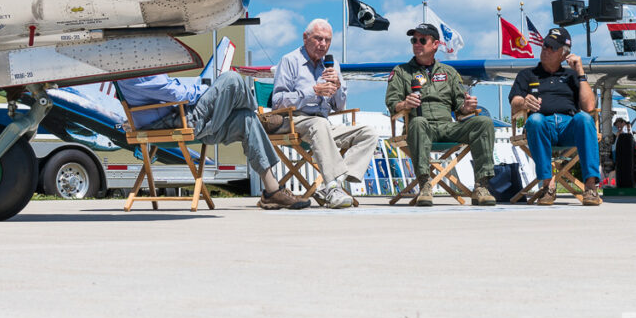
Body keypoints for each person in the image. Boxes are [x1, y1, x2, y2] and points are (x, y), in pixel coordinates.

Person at [117, 70, 311, 210]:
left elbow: (170, 91)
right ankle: (262, 119)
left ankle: (272, 192)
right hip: (172, 124)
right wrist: (206, 91)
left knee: (246, 119)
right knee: (232, 79)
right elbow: (173, 93)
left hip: (181, 120)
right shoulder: (133, 70)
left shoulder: (137, 66)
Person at [385, 23, 496, 206]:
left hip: (447, 126)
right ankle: (424, 184)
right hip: (419, 127)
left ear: (435, 44)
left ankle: (481, 186)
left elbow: (460, 107)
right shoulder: (401, 72)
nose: (417, 43)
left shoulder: (449, 72)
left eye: (422, 40)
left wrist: (467, 107)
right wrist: (404, 104)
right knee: (419, 121)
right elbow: (391, 103)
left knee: (483, 122)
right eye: (414, 40)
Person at [271, 19, 377, 209]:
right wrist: (313, 91)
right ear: (305, 38)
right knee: (318, 125)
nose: (323, 45)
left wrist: (337, 86)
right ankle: (333, 185)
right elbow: (277, 101)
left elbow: (339, 106)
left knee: (368, 132)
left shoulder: (332, 63)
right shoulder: (289, 60)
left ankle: (334, 184)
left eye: (327, 40)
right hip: (295, 120)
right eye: (318, 39)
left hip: (324, 123)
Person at [508, 27, 602, 206]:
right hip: (542, 126)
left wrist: (581, 73)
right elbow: (514, 102)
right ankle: (547, 185)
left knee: (585, 118)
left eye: (552, 47)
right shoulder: (527, 74)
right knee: (534, 120)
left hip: (569, 126)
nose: (546, 49)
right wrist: (524, 103)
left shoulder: (572, 75)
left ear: (563, 54)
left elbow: (589, 106)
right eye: (545, 45)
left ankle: (590, 187)